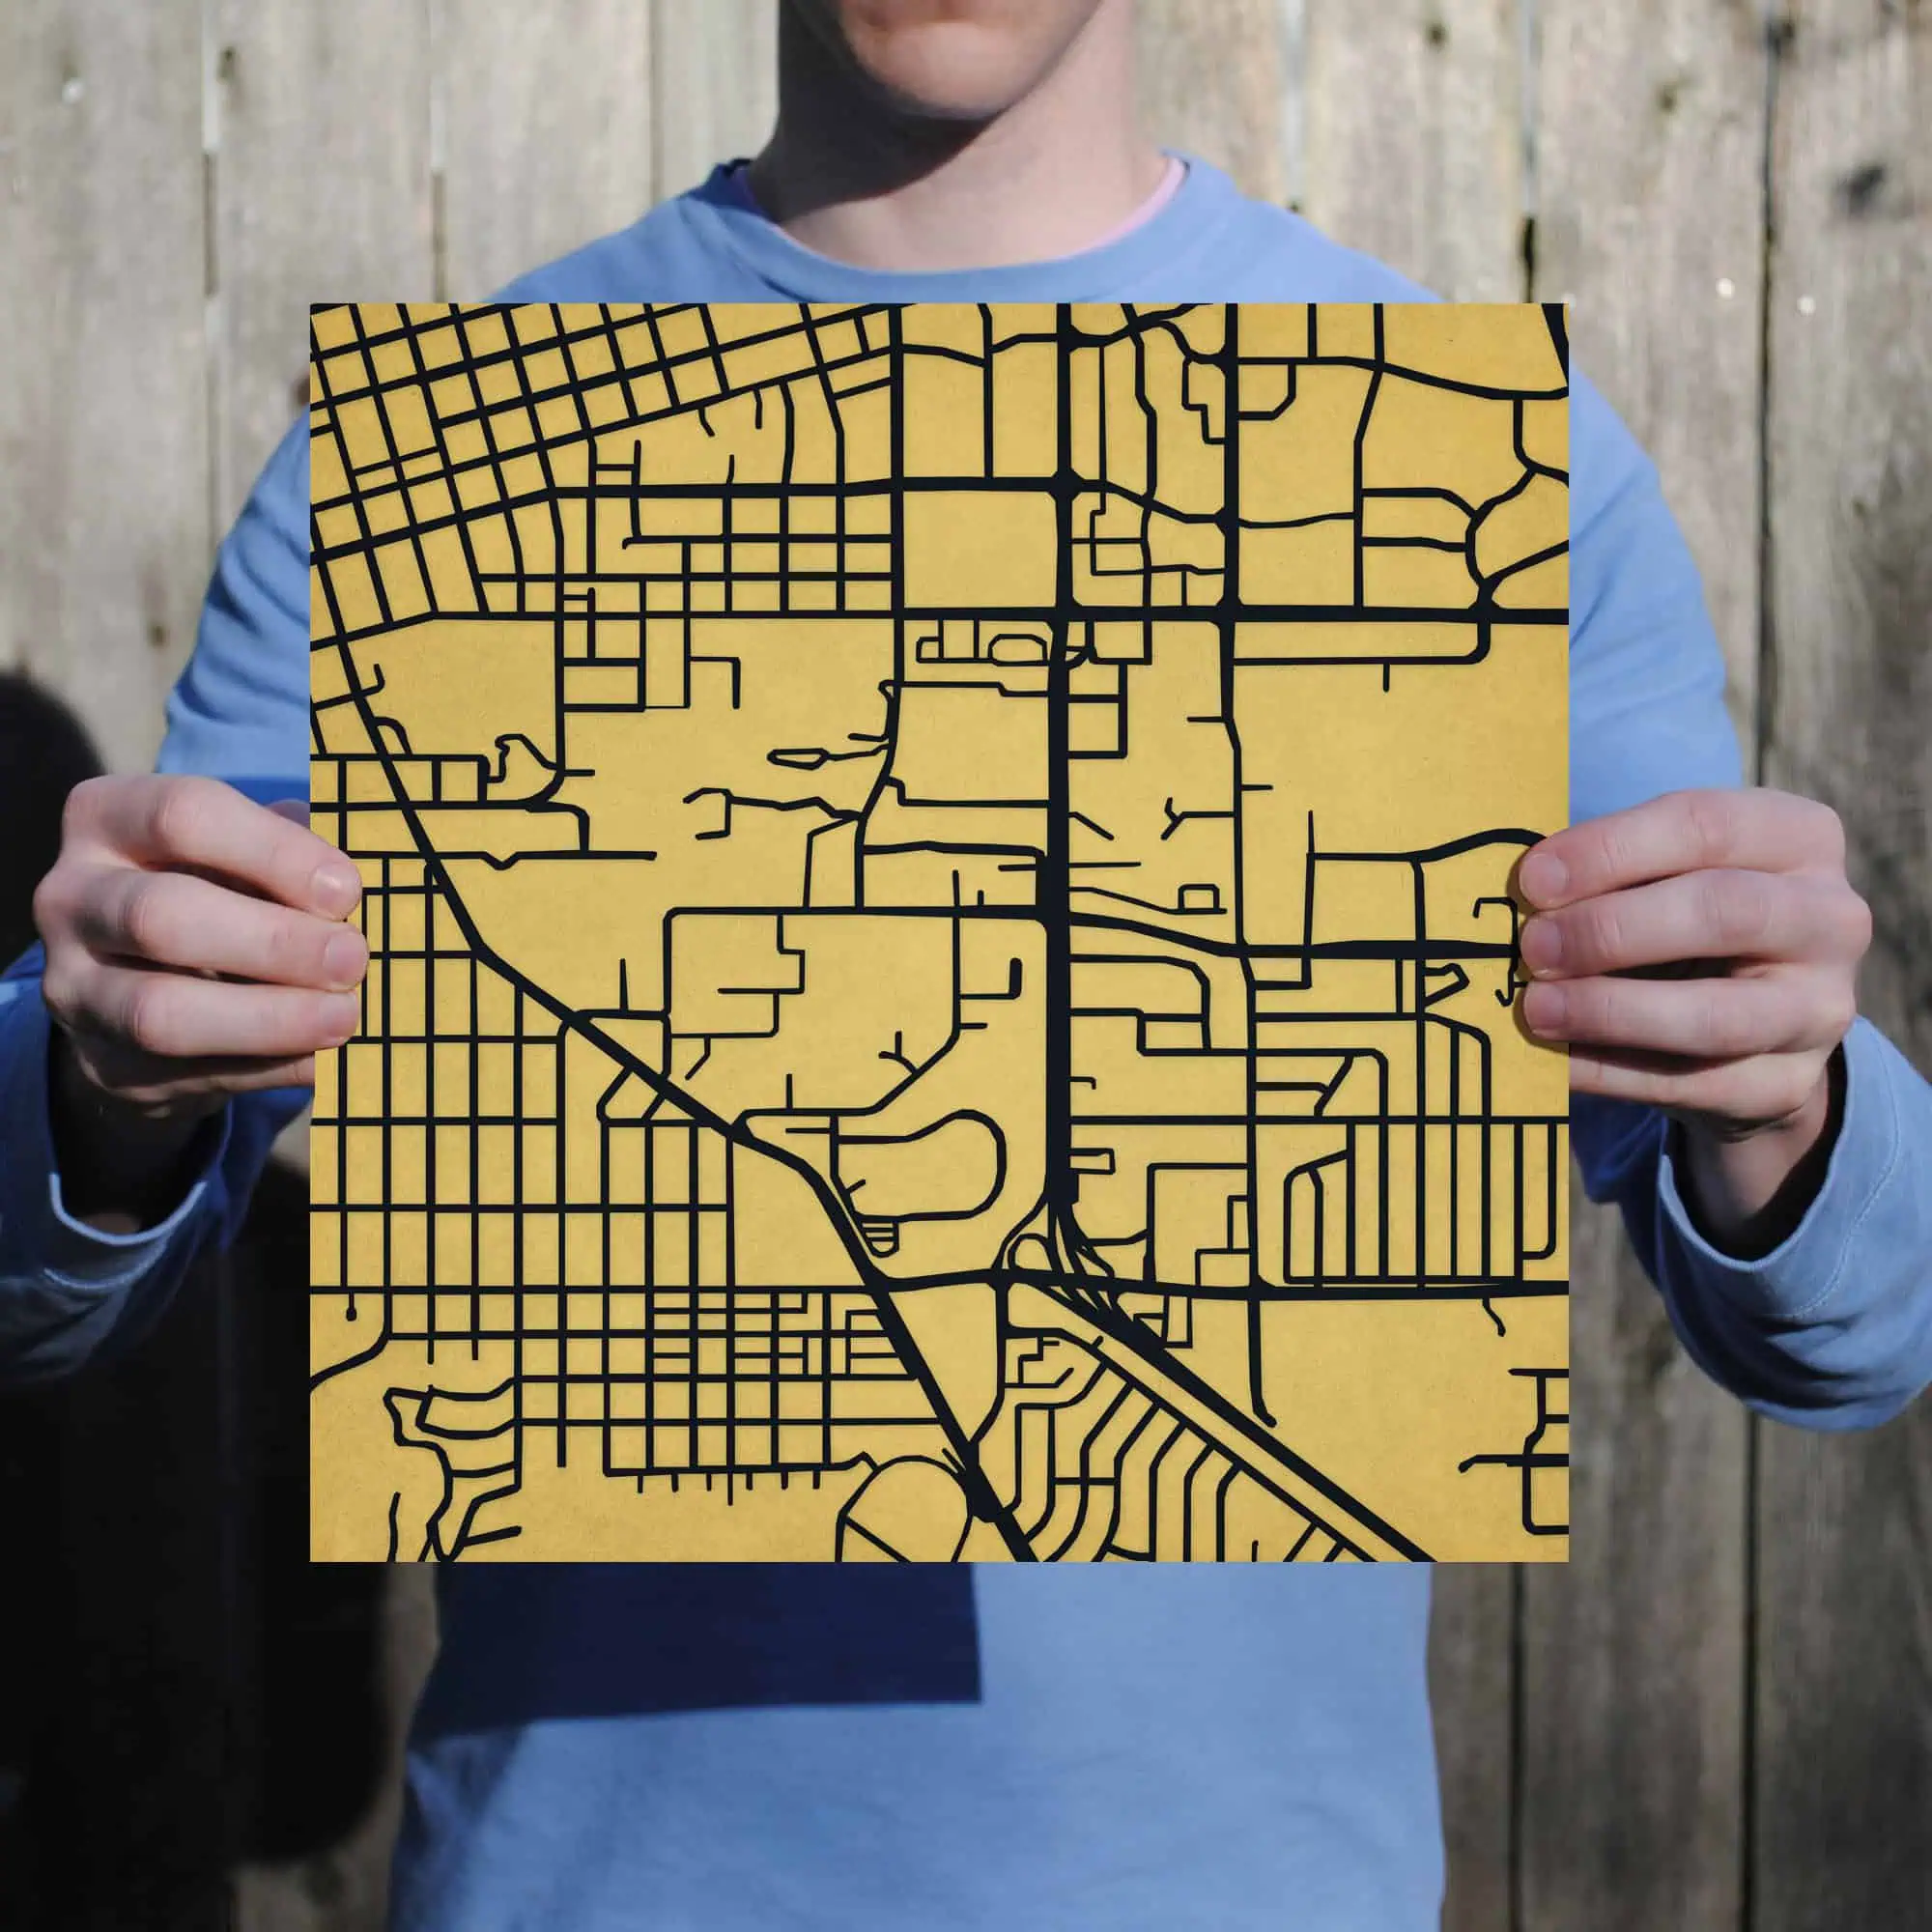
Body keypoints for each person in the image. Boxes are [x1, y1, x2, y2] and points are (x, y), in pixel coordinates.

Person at [4, 2, 1929, 1924]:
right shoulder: (421, 480)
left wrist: (1788, 1098)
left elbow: (1858, 1328)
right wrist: (96, 1084)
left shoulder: (1484, 480)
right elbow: (42, 1297)